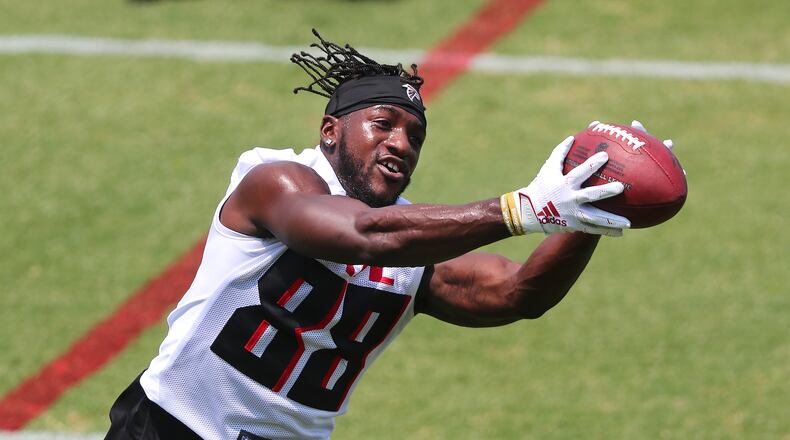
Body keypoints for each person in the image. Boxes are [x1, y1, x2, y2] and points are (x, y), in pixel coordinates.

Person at [106, 30, 640, 440]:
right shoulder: (275, 180)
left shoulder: (414, 245)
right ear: (330, 131)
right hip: (171, 428)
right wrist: (522, 210)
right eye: (382, 123)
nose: (401, 143)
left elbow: (520, 293)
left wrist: (589, 210)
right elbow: (360, 234)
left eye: (414, 135)